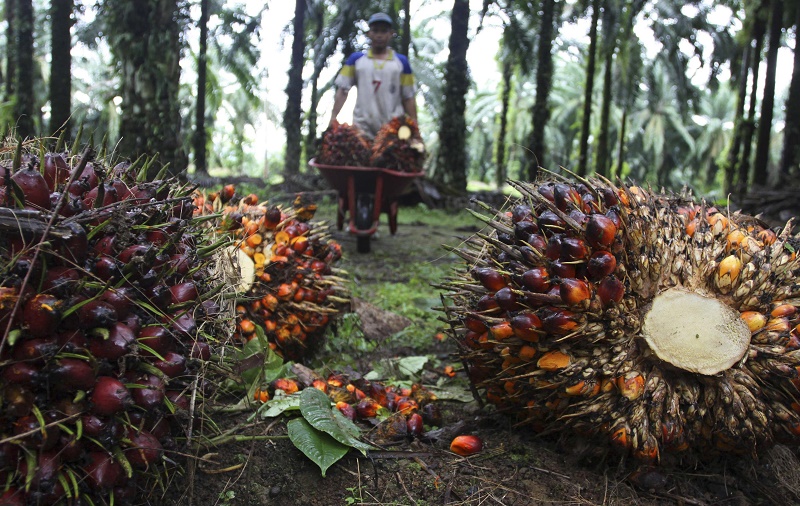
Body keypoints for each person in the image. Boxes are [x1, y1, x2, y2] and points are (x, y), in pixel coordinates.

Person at [329, 12, 418, 139]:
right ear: (369, 33)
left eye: (384, 31)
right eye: (375, 31)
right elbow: (343, 90)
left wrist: (415, 127)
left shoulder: (401, 63)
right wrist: (333, 118)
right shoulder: (356, 60)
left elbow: (408, 97)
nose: (379, 35)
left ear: (391, 34)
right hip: (362, 129)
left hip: (393, 129)